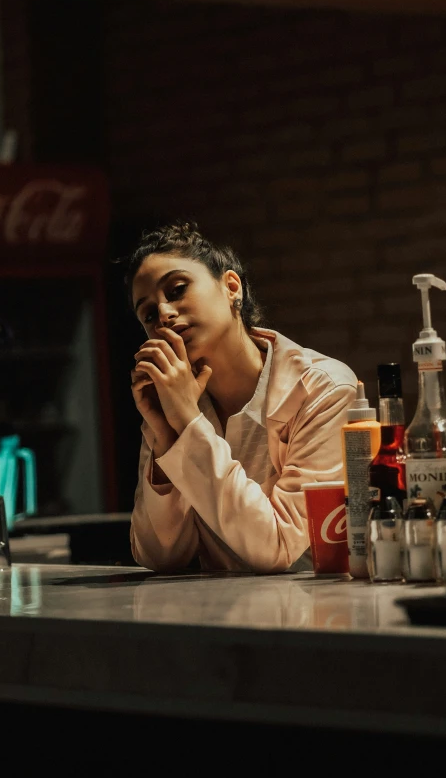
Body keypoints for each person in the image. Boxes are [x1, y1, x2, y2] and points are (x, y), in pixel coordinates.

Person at [125, 220, 357, 574]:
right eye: (149, 314)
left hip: (315, 612)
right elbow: (159, 556)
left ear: (231, 287)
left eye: (176, 290)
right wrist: (164, 436)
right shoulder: (171, 403)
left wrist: (188, 421)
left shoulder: (323, 389)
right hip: (220, 617)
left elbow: (277, 550)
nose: (164, 315)